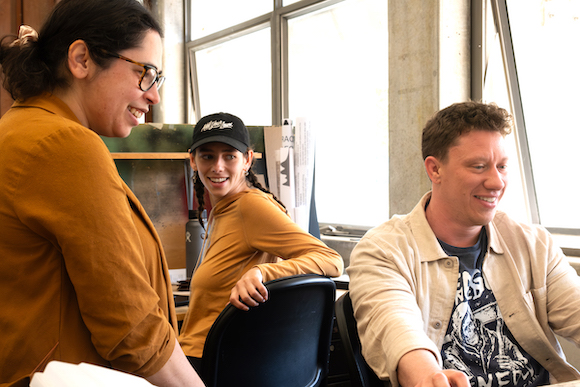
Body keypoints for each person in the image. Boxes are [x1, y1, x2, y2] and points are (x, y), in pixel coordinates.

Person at [0, 1, 204, 386]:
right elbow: (131, 327)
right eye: (146, 73)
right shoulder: (63, 144)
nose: (154, 96)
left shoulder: (20, 129)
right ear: (81, 60)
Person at [347, 101, 580, 387]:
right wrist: (428, 378)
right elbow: (397, 331)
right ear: (435, 170)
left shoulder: (533, 244)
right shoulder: (383, 251)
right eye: (478, 166)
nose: (496, 182)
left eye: (502, 167)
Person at [178, 112, 344, 372]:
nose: (217, 166)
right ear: (193, 160)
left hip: (214, 362)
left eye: (229, 156)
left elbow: (332, 260)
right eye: (207, 155)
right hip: (203, 356)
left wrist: (262, 272)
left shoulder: (250, 206)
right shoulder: (223, 210)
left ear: (247, 160)